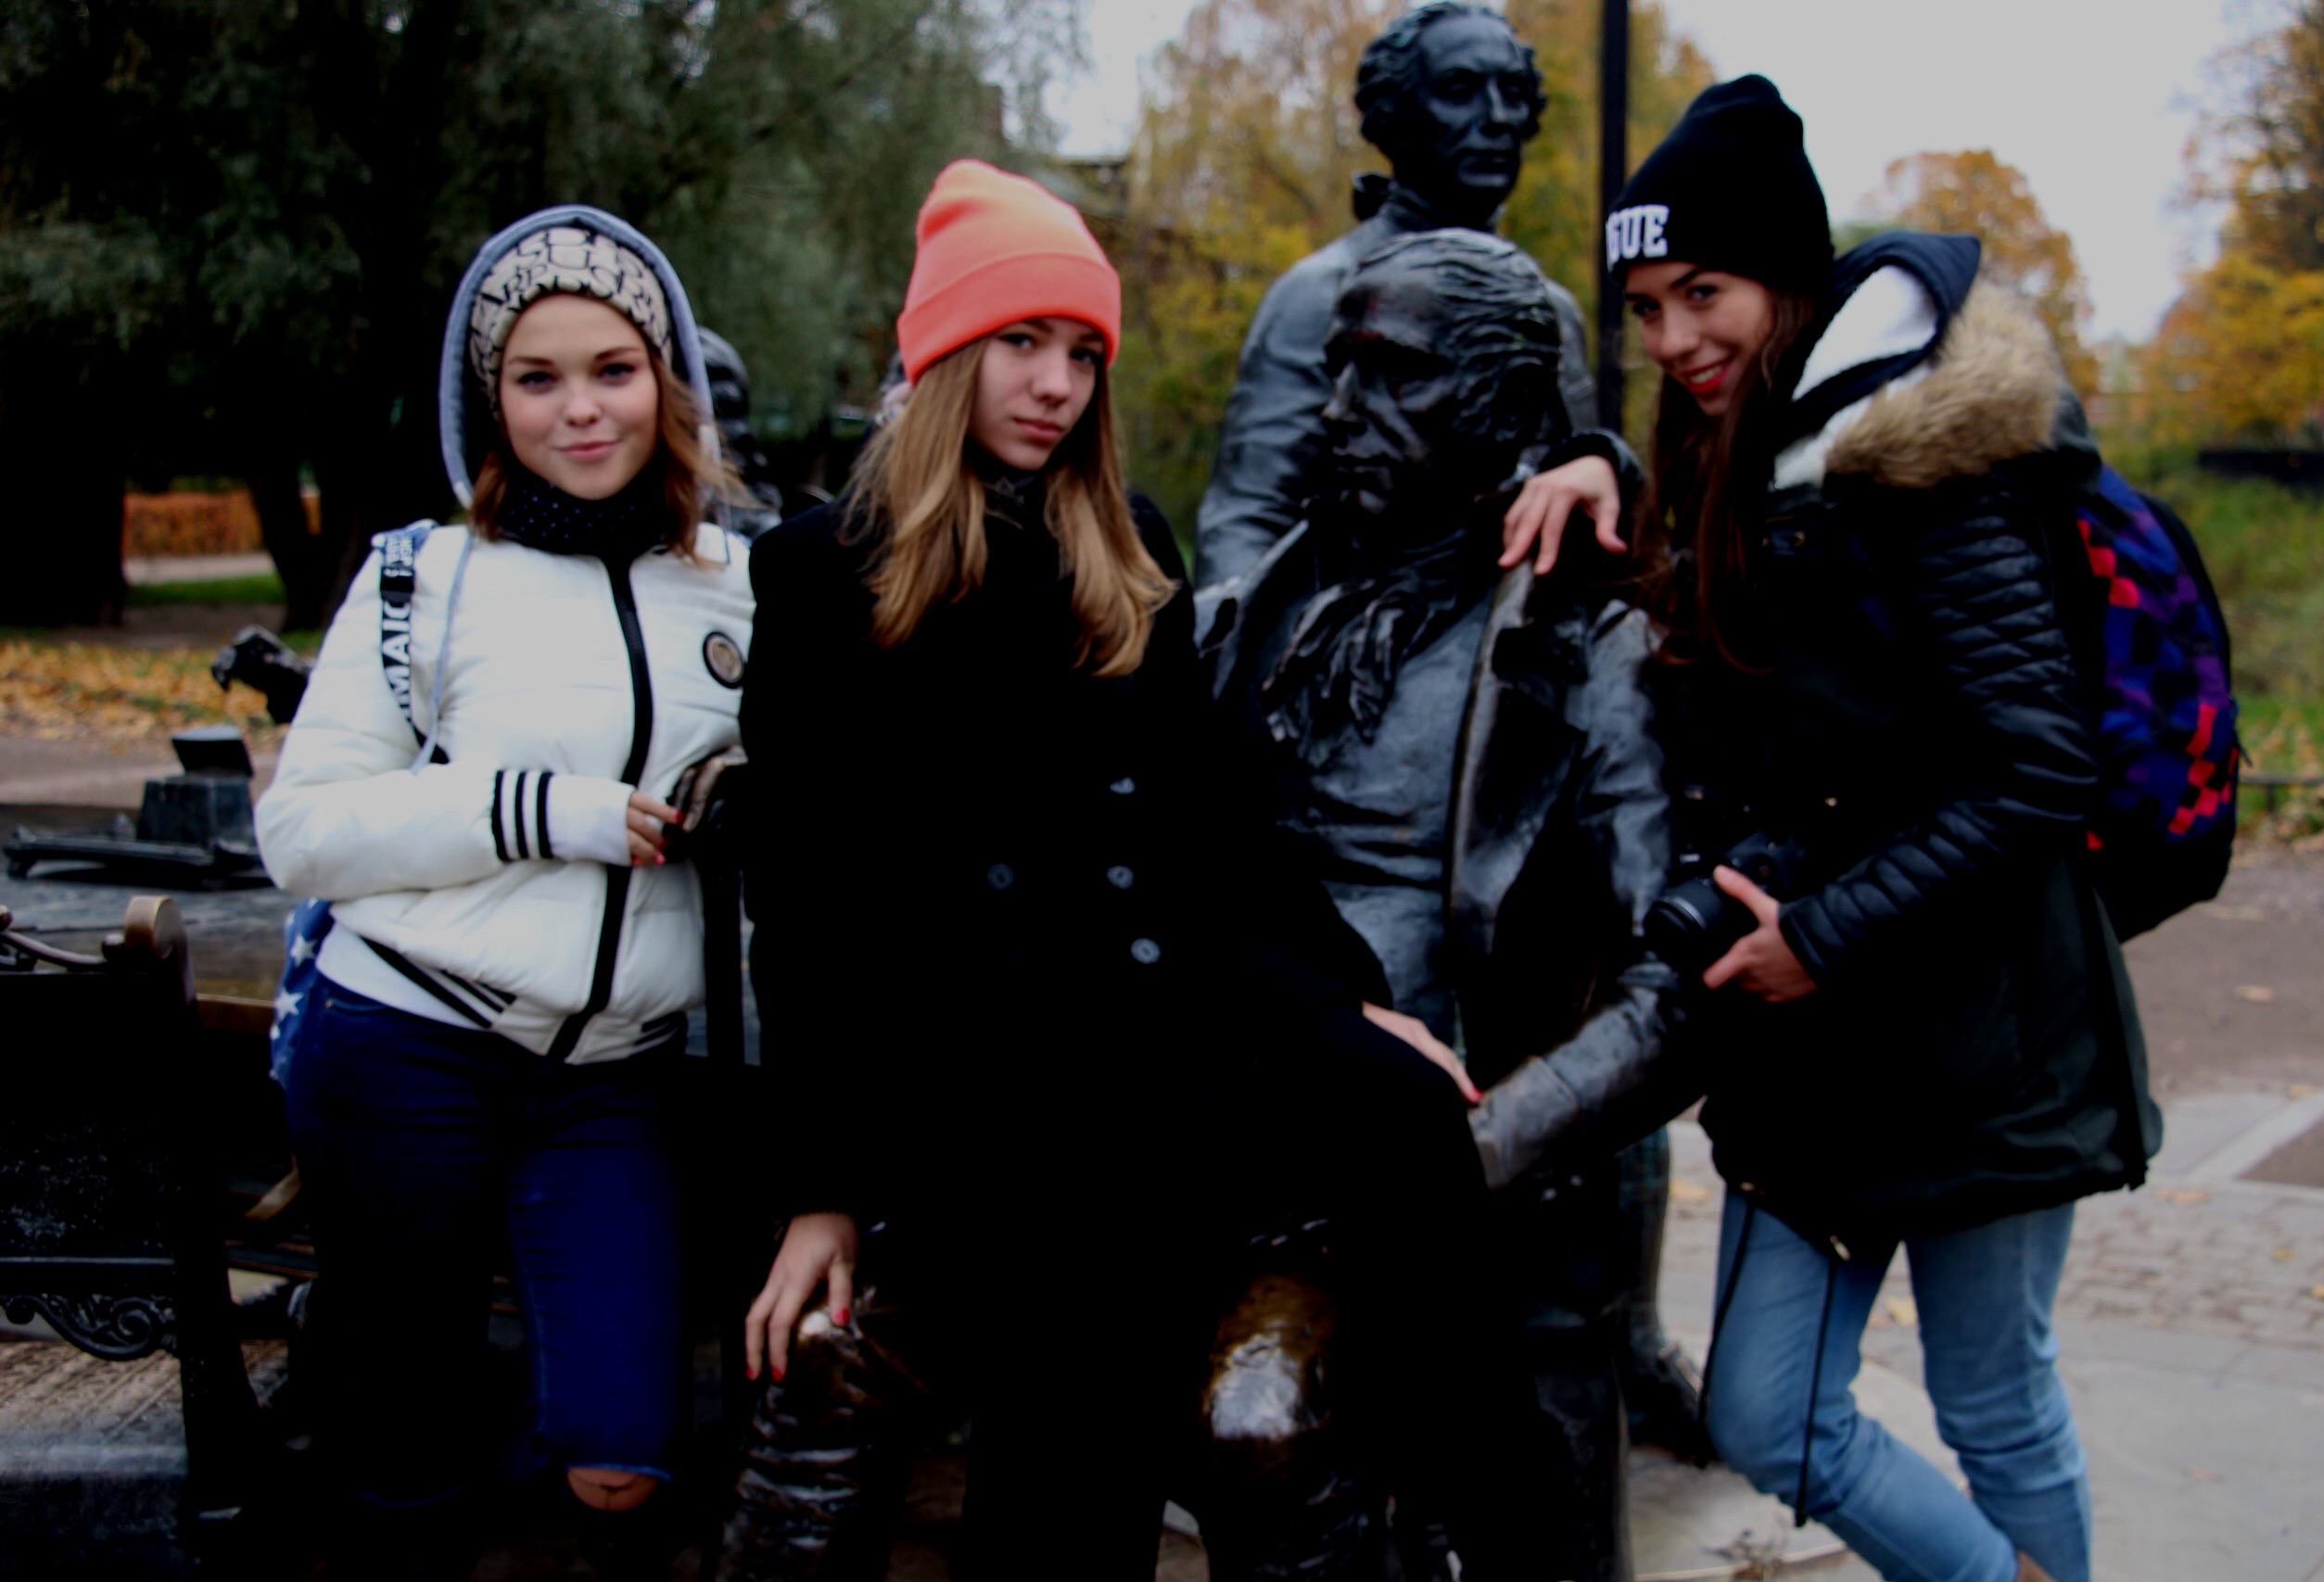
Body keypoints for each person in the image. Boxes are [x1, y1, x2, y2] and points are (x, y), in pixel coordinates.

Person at [719, 158, 1582, 1581]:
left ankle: (1509, 1528)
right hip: (986, 1071)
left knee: (1413, 1100)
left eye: (1082, 352)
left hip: (1172, 997)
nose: (1056, 384)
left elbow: (1218, 821)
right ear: (946, 349)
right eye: (1022, 341)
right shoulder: (826, 569)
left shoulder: (1121, 540)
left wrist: (1348, 1002)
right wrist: (821, 1186)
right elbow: (802, 906)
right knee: (1079, 1412)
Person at [1517, 77, 2158, 1582]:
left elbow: (2035, 768)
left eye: (1706, 293)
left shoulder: (1919, 458)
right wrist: (1608, 463)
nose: (1674, 339)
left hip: (1984, 1022)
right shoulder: (1731, 455)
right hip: (1817, 1045)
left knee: (1994, 1403)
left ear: (1787, 281)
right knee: (1770, 1408)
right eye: (1647, 309)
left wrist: (1824, 934)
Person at [256, 207, 754, 1579]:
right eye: (538, 378)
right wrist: (540, 811)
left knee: (621, 1458)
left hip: (612, 1076)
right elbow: (301, 832)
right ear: (490, 400)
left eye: (614, 369)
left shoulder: (741, 588)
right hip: (406, 1045)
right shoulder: (422, 577)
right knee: (407, 1446)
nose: (580, 409)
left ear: (668, 381)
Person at [1194, 227, 1694, 1581]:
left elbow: (1671, 988)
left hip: (1490, 1190)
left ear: (1505, 405)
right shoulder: (1246, 621)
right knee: (1255, 1427)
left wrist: (1473, 1147)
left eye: (1393, 374)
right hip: (1260, 1165)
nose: (1339, 410)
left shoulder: (1589, 651)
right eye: (1336, 370)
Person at [1193, 0, 1604, 593]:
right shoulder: (1323, 294)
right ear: (1394, 115)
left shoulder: (1551, 310)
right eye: (1459, 90)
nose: (1496, 118)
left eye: (1513, 93)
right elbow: (1246, 519)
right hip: (1358, 636)